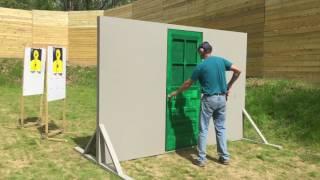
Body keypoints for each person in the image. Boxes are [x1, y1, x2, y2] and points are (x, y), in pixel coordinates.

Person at [168, 41, 241, 167]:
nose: (198, 53)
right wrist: (228, 86)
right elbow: (238, 71)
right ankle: (224, 157)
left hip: (209, 100)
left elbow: (188, 83)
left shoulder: (201, 66)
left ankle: (201, 159)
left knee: (203, 129)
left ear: (202, 51)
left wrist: (176, 92)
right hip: (222, 99)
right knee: (221, 128)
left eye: (199, 51)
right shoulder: (221, 61)